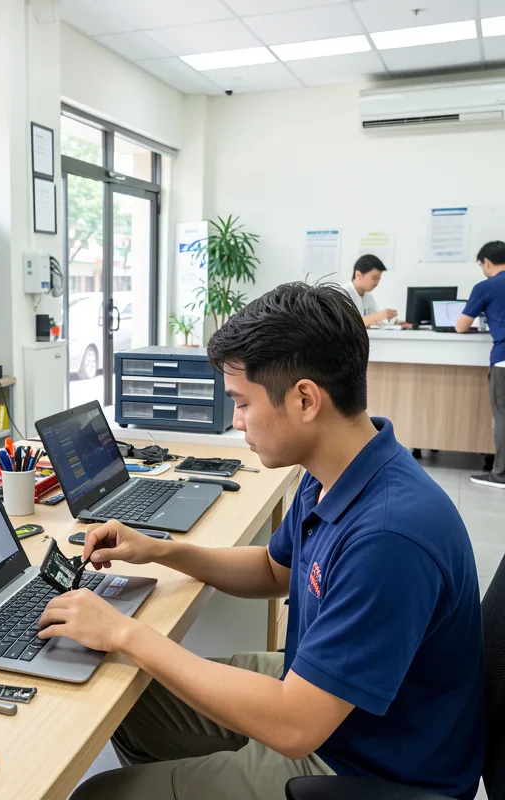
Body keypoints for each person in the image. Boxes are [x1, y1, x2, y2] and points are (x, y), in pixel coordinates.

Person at [39, 283, 484, 800]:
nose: (236, 421)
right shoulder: (336, 472)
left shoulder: (389, 536)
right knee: (129, 698)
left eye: (243, 403)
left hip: (363, 764)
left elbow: (296, 728)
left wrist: (124, 632)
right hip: (333, 707)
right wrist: (162, 549)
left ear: (304, 399)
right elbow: (276, 572)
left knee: (100, 794)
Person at [456, 240, 505, 488]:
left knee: (503, 415)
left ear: (486, 262)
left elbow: (460, 325)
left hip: (503, 358)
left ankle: (501, 474)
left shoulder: (486, 286)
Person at [341, 254, 398, 328]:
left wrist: (392, 320)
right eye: (374, 278)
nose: (377, 283)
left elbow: (377, 321)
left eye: (379, 279)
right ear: (358, 275)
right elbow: (349, 323)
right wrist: (379, 316)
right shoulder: (343, 292)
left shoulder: (367, 295)